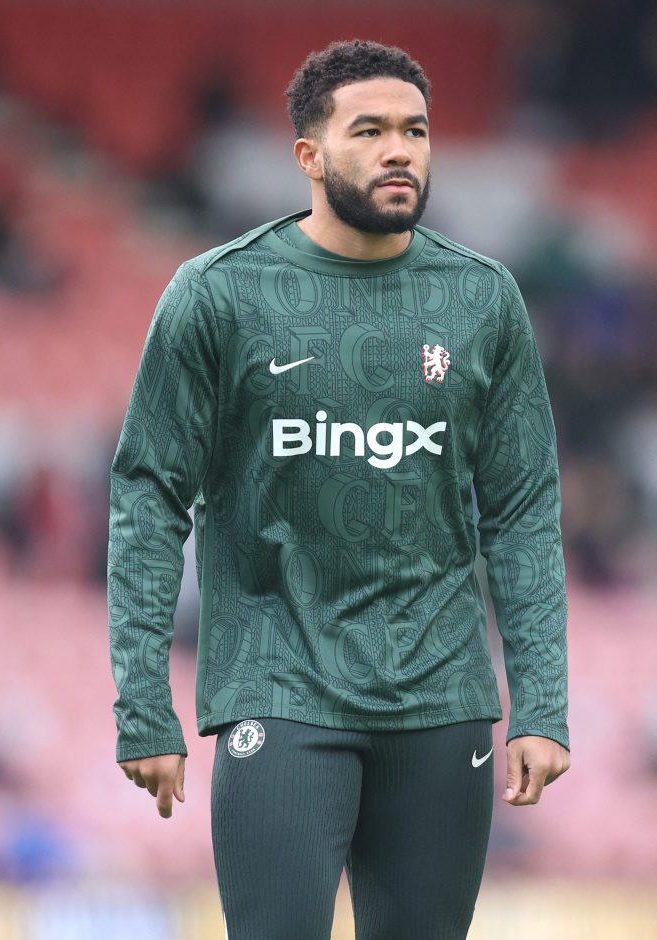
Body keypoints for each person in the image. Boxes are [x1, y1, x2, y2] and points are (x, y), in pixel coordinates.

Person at [108, 39, 571, 940]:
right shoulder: (218, 294)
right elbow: (146, 500)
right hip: (278, 686)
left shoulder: (481, 299)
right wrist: (142, 706)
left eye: (415, 130)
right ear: (308, 156)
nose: (399, 150)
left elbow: (521, 513)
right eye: (369, 131)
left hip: (442, 698)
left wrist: (543, 706)